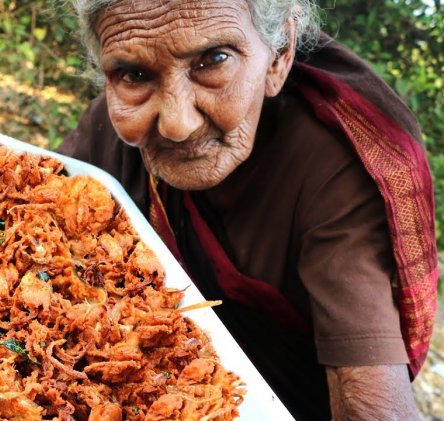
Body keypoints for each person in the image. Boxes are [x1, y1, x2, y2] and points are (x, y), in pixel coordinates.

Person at [59, 0, 439, 419]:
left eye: (213, 60)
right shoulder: (107, 133)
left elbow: (372, 400)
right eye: (134, 75)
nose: (177, 124)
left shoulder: (329, 161)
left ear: (279, 56)